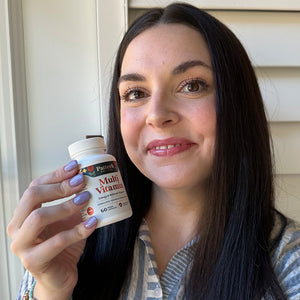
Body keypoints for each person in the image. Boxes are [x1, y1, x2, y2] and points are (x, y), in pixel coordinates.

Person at [7, 3, 300, 300]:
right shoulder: (67, 248)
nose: (157, 115)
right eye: (136, 93)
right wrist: (53, 291)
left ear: (237, 103)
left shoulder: (290, 263)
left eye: (192, 85)